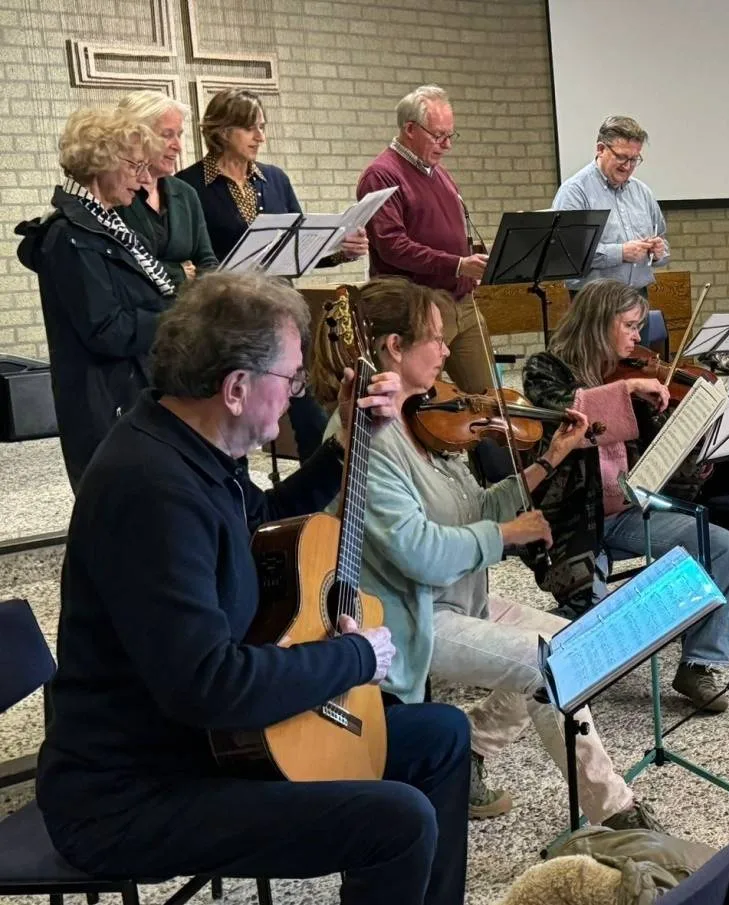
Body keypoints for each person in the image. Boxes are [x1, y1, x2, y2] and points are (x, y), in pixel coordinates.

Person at [35, 270, 471, 905]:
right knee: (397, 822)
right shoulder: (152, 490)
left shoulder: (192, 446)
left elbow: (262, 523)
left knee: (442, 735)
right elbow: (210, 684)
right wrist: (353, 657)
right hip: (134, 791)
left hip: (208, 742)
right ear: (236, 388)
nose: (297, 395)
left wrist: (345, 444)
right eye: (291, 380)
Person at [315, 277, 663, 830]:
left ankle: (473, 746)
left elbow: (473, 506)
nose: (447, 350)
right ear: (394, 348)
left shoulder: (421, 419)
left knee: (572, 641)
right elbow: (419, 552)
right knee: (550, 664)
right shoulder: (366, 435)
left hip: (458, 599)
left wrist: (548, 459)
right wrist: (503, 535)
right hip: (409, 617)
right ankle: (617, 814)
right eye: (435, 337)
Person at [523, 280, 729, 712]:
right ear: (599, 323)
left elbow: (664, 464)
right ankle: (532, 646)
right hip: (571, 520)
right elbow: (570, 413)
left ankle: (699, 663)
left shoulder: (630, 376)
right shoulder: (544, 369)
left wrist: (701, 449)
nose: (638, 337)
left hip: (627, 512)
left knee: (723, 546)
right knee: (591, 624)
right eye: (630, 325)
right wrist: (627, 391)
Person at [177, 88, 369, 460]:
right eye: (250, 128)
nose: (260, 137)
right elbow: (192, 257)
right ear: (222, 131)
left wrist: (339, 251)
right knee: (231, 412)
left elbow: (302, 245)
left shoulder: (275, 179)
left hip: (281, 312)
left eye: (262, 127)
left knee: (305, 406)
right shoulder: (189, 186)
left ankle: (324, 484)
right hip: (226, 318)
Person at [15, 106, 174, 489]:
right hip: (107, 406)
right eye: (136, 166)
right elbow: (107, 330)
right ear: (102, 162)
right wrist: (179, 318)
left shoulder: (107, 225)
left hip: (133, 393)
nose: (144, 180)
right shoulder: (69, 235)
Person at [356, 85, 494, 395]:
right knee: (420, 400)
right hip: (419, 308)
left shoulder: (438, 172)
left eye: (450, 135)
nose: (447, 145)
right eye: (439, 136)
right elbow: (392, 246)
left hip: (462, 302)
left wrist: (474, 260)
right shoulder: (381, 175)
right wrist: (457, 264)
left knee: (489, 399)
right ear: (410, 129)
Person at [551, 116, 668, 293]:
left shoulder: (642, 192)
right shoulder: (574, 192)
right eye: (621, 157)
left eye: (634, 159)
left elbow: (662, 239)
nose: (627, 166)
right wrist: (621, 253)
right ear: (600, 149)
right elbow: (570, 253)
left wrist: (659, 252)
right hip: (594, 299)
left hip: (637, 295)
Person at [114, 90, 218, 287]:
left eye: (179, 135)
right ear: (136, 138)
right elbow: (123, 269)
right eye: (167, 135)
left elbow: (207, 263)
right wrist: (179, 273)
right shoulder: (114, 194)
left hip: (190, 305)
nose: (178, 146)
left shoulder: (186, 193)